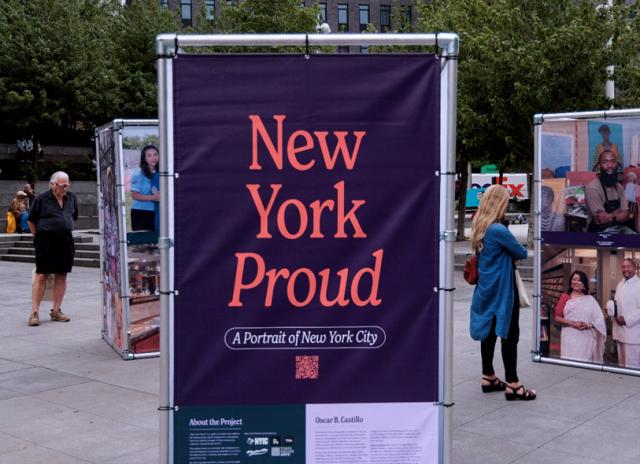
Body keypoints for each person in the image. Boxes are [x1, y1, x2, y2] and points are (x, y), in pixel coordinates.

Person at [470, 185, 536, 401]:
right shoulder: (498, 230)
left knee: (488, 332)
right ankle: (514, 384)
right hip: (502, 289)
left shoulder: (479, 225)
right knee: (509, 333)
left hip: (484, 287)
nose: (507, 206)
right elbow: (522, 252)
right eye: (506, 202)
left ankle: (488, 376)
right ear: (499, 203)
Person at [27, 171, 78, 326]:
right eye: (61, 186)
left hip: (65, 239)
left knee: (62, 274)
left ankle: (56, 310)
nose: (64, 189)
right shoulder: (41, 198)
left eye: (66, 185)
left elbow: (73, 216)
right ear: (53, 184)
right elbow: (31, 220)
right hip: (45, 240)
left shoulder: (71, 198)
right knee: (41, 275)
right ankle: (34, 312)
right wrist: (37, 237)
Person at [554, 271, 606, 363]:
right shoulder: (565, 297)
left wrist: (588, 325)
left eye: (579, 280)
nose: (576, 282)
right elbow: (557, 317)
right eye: (574, 279)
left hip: (586, 338)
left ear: (584, 284)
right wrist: (573, 323)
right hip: (569, 337)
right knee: (569, 363)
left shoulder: (590, 299)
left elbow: (599, 319)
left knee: (584, 364)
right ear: (571, 282)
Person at [585, 150, 634, 233]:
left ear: (617, 165)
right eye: (605, 162)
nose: (610, 166)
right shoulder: (593, 188)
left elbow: (626, 216)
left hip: (619, 228)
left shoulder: (619, 187)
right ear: (599, 165)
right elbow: (601, 221)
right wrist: (619, 211)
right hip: (599, 232)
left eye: (613, 162)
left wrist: (610, 217)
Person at [612, 258, 640, 368]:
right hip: (620, 332)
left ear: (635, 268)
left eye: (628, 266)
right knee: (622, 364)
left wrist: (627, 320)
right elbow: (617, 304)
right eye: (623, 267)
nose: (625, 269)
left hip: (633, 334)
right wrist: (611, 310)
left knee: (632, 366)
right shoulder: (620, 284)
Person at [130, 145, 159, 231]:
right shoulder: (138, 173)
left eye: (155, 154)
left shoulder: (162, 172)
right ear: (144, 158)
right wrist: (153, 198)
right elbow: (134, 195)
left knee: (157, 241)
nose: (153, 158)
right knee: (144, 242)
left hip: (157, 212)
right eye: (149, 155)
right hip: (141, 213)